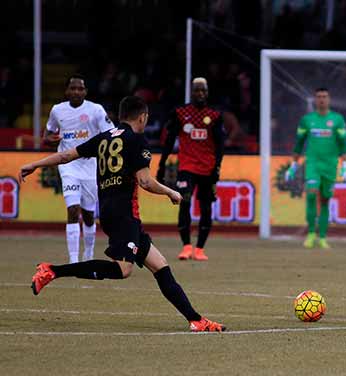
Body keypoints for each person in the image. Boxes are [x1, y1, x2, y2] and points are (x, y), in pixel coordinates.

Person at [21, 96, 225, 332]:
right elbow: (145, 181)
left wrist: (35, 164)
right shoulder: (136, 140)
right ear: (143, 117)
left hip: (112, 211)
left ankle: (196, 320)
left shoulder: (104, 138)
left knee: (160, 266)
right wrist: (172, 193)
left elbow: (66, 156)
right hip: (124, 214)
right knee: (122, 269)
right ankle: (53, 270)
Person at [44, 75, 115, 263]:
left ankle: (89, 253)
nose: (76, 92)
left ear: (85, 91)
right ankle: (74, 261)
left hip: (91, 166)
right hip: (68, 166)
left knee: (89, 215)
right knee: (73, 210)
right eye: (72, 88)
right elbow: (48, 134)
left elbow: (111, 133)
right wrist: (49, 140)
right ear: (67, 91)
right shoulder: (57, 110)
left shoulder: (96, 110)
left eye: (80, 89)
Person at [157, 78, 225, 261]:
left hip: (208, 169)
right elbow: (170, 140)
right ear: (191, 92)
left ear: (207, 92)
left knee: (206, 207)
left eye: (203, 90)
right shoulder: (180, 113)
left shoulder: (215, 115)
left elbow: (220, 145)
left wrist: (217, 167)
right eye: (197, 90)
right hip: (187, 166)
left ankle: (200, 249)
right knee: (184, 201)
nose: (200, 94)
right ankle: (186, 246)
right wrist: (161, 164)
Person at [288, 87, 346, 249]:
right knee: (311, 195)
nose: (322, 99)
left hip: (330, 165)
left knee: (325, 200)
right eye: (319, 96)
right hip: (313, 163)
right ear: (315, 100)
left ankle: (322, 237)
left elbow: (344, 145)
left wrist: (344, 165)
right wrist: (293, 165)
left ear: (329, 99)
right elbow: (299, 143)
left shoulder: (337, 119)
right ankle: (310, 234)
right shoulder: (307, 120)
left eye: (324, 96)